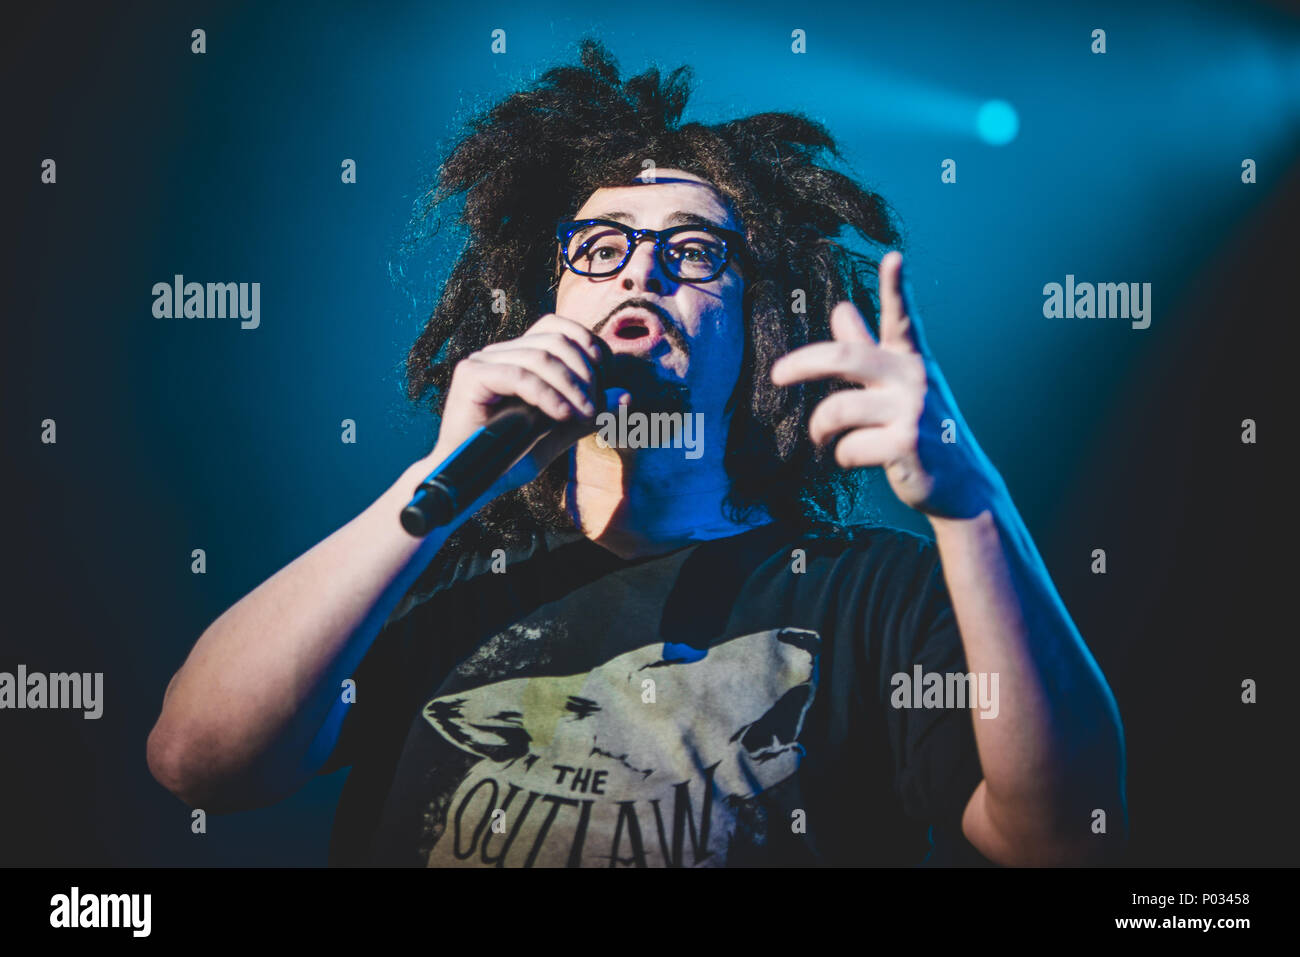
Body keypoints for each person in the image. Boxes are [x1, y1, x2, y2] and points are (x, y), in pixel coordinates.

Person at [147, 38, 1128, 868]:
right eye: (600, 247)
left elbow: (1063, 836)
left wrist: (971, 506)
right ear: (546, 305)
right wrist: (430, 487)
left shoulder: (882, 595)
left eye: (694, 251)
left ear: (758, 322)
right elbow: (201, 760)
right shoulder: (429, 576)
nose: (642, 269)